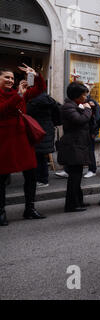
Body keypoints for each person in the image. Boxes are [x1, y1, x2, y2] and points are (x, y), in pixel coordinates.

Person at [0, 64, 47, 226]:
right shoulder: (15, 94)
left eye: (12, 78)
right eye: (6, 77)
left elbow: (39, 89)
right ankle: (1, 212)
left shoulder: (17, 93)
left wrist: (35, 75)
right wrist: (19, 95)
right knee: (2, 178)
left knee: (31, 175)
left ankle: (30, 209)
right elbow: (3, 110)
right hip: (5, 140)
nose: (10, 80)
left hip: (22, 139)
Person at [57, 82, 92, 212]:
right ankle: (72, 204)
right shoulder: (68, 107)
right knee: (74, 177)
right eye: (84, 95)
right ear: (76, 96)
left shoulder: (75, 105)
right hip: (73, 146)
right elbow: (80, 120)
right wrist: (88, 109)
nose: (86, 97)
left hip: (78, 144)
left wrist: (84, 108)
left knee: (77, 175)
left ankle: (79, 201)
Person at [26, 92, 62, 187]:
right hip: (48, 129)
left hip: (35, 129)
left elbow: (26, 112)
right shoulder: (50, 100)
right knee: (42, 157)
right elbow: (58, 113)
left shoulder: (32, 101)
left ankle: (41, 179)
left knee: (37, 156)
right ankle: (43, 179)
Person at [84, 88, 100, 179]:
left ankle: (92, 170)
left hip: (90, 131)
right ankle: (67, 169)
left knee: (90, 151)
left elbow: (97, 119)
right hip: (83, 131)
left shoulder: (93, 103)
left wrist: (95, 132)